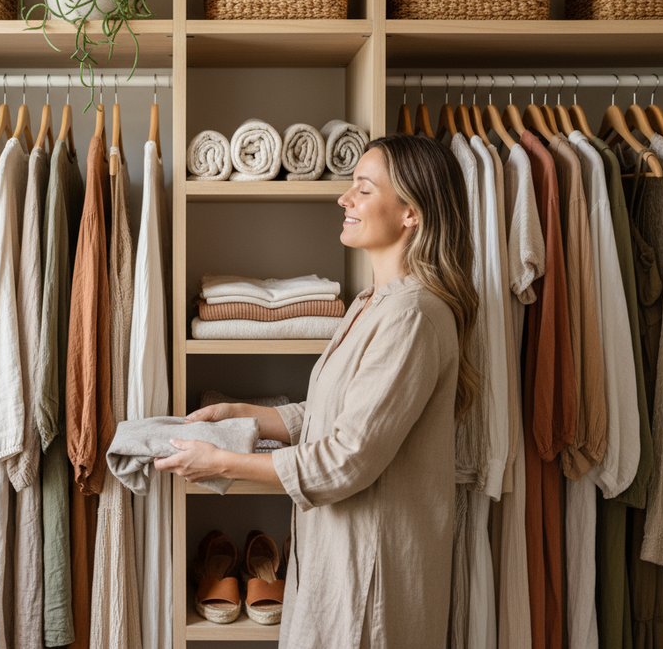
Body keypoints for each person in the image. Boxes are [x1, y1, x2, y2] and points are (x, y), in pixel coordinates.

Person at [155, 133, 480, 647]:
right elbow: (335, 413)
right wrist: (244, 414)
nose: (343, 198)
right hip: (337, 558)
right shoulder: (372, 302)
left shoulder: (412, 316)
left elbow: (347, 457)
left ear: (410, 213)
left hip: (373, 576)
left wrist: (222, 463)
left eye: (363, 189)